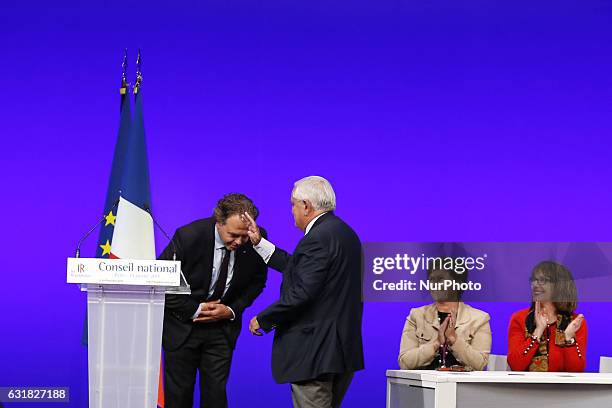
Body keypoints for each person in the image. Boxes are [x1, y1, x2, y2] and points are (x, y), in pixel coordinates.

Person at [244, 176, 364, 408]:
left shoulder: (317, 238)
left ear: (306, 206)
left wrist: (264, 318)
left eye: (293, 204)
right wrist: (260, 243)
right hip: (340, 351)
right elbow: (301, 271)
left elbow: (302, 293)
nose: (292, 211)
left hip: (315, 352)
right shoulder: (344, 233)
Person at [159, 193, 268, 408]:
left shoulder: (256, 238)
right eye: (234, 235)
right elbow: (159, 281)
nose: (240, 241)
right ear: (219, 223)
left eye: (244, 236)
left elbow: (257, 282)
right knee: (178, 399)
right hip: (182, 328)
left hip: (221, 331)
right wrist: (195, 309)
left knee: (215, 398)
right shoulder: (189, 236)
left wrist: (231, 310)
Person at [398, 261, 492, 370]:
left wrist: (454, 339)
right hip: (423, 384)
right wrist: (435, 344)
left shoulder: (479, 319)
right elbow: (404, 362)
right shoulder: (416, 316)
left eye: (441, 279)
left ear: (458, 283)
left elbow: (480, 363)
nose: (435, 284)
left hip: (462, 385)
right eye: (432, 280)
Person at [507, 261, 586, 372]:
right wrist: (538, 331)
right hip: (527, 388)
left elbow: (576, 371)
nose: (535, 284)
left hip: (563, 389)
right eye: (533, 280)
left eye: (542, 280)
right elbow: (515, 365)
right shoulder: (520, 318)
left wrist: (568, 338)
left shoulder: (574, 322)